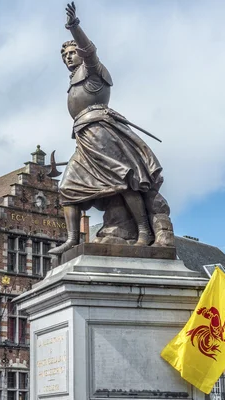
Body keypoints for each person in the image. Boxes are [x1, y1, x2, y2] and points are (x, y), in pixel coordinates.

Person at [50, 2, 170, 255]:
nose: (68, 57)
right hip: (82, 135)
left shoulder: (93, 69)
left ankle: (144, 231)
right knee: (68, 187)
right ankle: (72, 239)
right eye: (64, 55)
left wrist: (74, 28)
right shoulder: (74, 80)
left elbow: (89, 49)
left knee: (123, 179)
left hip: (100, 129)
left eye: (71, 52)